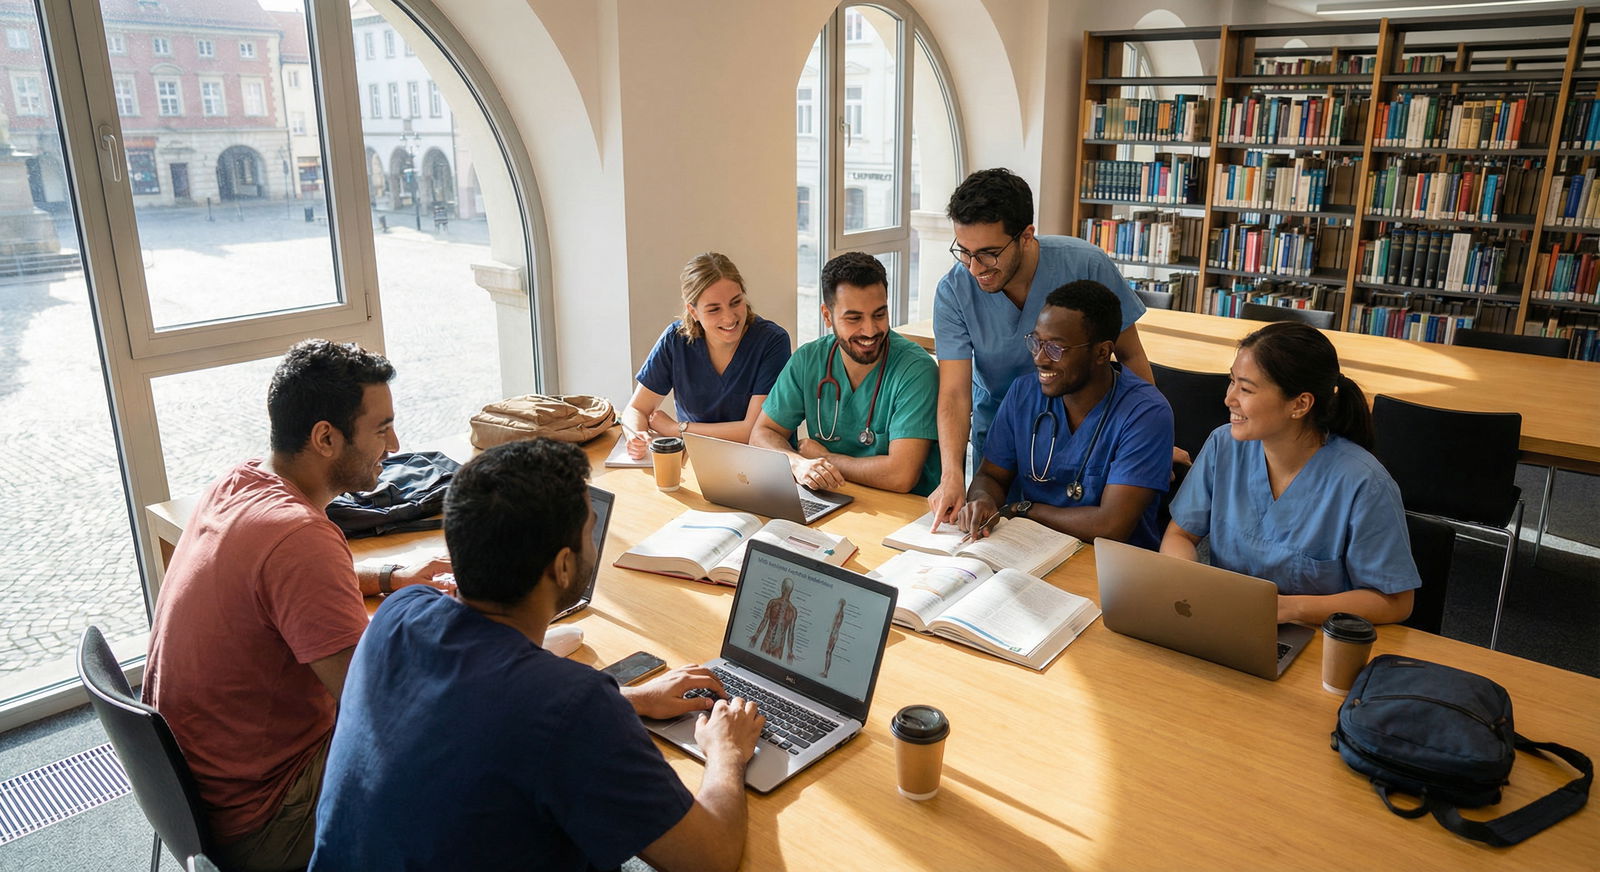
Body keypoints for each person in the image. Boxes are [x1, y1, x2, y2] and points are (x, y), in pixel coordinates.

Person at [309, 439, 765, 872]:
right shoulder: (574, 705)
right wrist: (726, 752)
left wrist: (633, 699)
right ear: (564, 565)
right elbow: (711, 856)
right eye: (590, 531)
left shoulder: (399, 614)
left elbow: (488, 710)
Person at [142, 340, 452, 872]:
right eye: (381, 428)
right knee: (483, 748)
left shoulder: (237, 483)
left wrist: (387, 578)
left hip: (197, 792)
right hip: (267, 819)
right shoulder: (301, 536)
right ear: (326, 437)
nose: (396, 445)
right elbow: (378, 706)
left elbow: (271, 585)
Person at [928, 168, 1156, 528]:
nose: (974, 268)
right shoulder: (954, 291)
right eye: (964, 252)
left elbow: (1129, 355)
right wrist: (952, 473)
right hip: (1002, 441)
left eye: (988, 253)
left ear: (1026, 236)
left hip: (1086, 435)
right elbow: (955, 392)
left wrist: (1150, 436)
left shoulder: (1084, 264)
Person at [1161, 321, 1419, 625]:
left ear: (1300, 404)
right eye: (1232, 382)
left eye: (1246, 388)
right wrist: (1189, 583)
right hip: (1224, 623)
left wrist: (1285, 609)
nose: (1229, 398)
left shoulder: (1363, 482)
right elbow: (1180, 534)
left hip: (1314, 639)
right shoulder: (1224, 445)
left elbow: (1395, 601)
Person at [956, 281, 1174, 550]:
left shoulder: (1145, 414)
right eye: (1036, 342)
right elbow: (991, 475)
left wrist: (1025, 509)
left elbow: (1110, 527)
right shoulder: (1024, 394)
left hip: (1110, 566)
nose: (1040, 358)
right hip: (1031, 548)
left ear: (1102, 352)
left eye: (1056, 349)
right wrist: (983, 499)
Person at [751, 251, 940, 495]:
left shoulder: (916, 370)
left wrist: (826, 458)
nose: (870, 330)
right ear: (827, 316)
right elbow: (761, 434)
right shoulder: (809, 360)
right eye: (854, 318)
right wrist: (796, 462)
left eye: (879, 314)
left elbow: (900, 476)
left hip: (904, 513)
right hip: (833, 500)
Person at [624, 251, 792, 458]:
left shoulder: (772, 341)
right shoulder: (675, 340)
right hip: (697, 461)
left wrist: (677, 429)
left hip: (756, 464)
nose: (729, 317)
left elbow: (753, 431)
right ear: (693, 312)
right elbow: (636, 409)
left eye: (736, 302)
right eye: (714, 309)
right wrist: (636, 436)